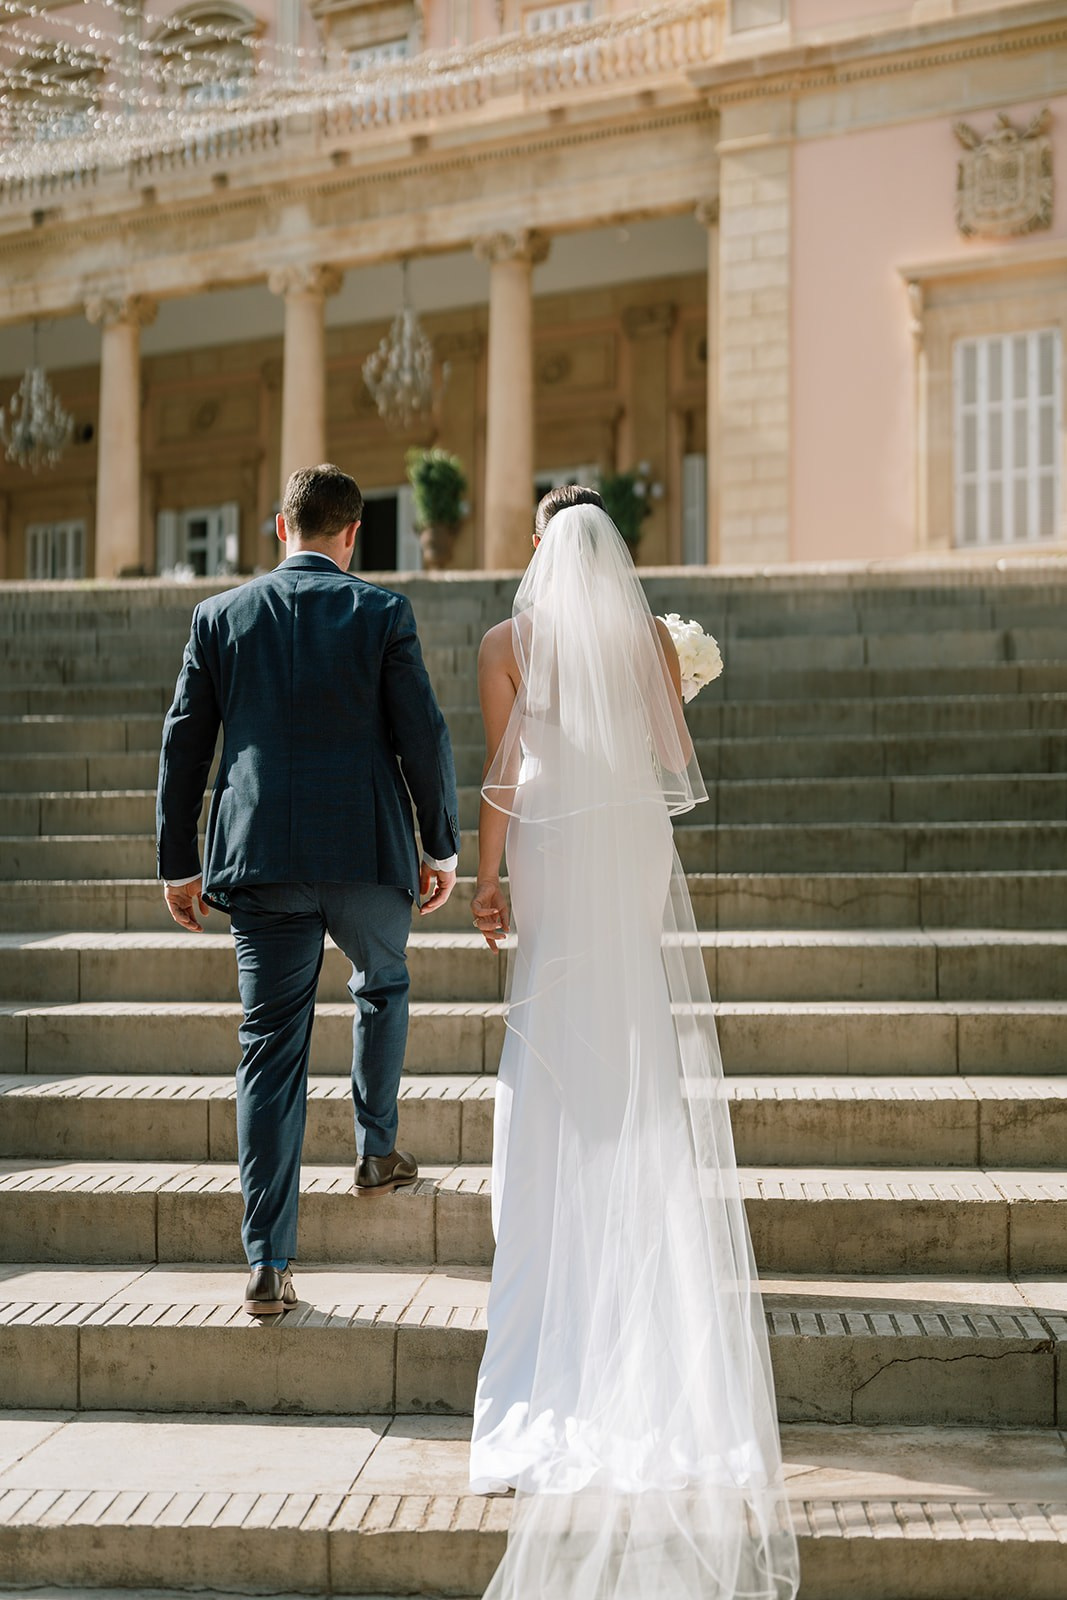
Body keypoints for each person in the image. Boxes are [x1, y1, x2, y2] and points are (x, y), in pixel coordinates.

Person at [468, 486, 799, 1599]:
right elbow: (670, 750)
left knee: (554, 1033)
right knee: (630, 1020)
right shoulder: (648, 633)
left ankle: (548, 1281)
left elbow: (503, 773)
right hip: (627, 838)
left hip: (556, 839)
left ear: (538, 550)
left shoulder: (504, 641)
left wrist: (481, 878)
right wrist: (667, 669)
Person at [156, 463, 460, 1317]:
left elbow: (186, 744)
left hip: (260, 860)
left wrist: (179, 863)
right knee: (383, 982)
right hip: (365, 849)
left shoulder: (220, 615)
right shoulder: (382, 611)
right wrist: (439, 844)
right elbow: (422, 736)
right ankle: (375, 1148)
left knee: (269, 1051)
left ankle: (267, 1263)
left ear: (280, 527)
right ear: (353, 533)